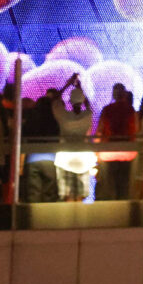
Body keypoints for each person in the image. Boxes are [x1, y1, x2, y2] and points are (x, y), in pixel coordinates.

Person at [52, 74, 95, 202]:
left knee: (66, 195)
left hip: (64, 158)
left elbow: (55, 100)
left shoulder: (64, 117)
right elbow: (89, 107)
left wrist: (68, 84)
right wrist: (80, 88)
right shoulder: (87, 116)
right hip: (83, 158)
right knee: (80, 196)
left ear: (69, 102)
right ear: (82, 102)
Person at [95, 82, 138, 200]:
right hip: (127, 151)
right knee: (124, 186)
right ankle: (123, 211)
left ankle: (109, 212)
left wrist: (97, 152)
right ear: (124, 94)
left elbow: (100, 130)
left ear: (113, 94)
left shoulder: (107, 109)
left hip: (108, 151)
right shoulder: (130, 109)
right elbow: (136, 131)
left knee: (108, 185)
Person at [22, 92, 60, 203]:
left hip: (32, 158)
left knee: (33, 193)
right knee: (50, 193)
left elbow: (24, 137)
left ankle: (34, 217)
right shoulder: (53, 121)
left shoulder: (30, 120)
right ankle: (48, 218)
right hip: (49, 159)